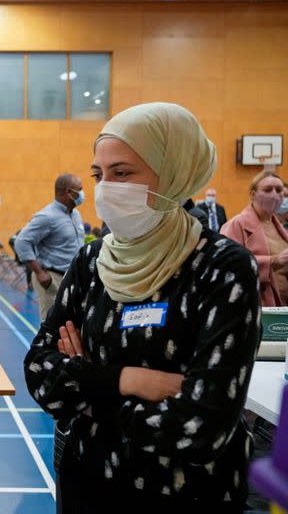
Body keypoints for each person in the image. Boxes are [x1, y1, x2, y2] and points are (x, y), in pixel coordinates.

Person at [24, 102, 260, 513]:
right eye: (99, 175)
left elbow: (203, 428)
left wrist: (88, 385)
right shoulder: (92, 262)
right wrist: (128, 380)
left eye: (123, 173)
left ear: (173, 171)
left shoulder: (223, 267)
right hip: (88, 485)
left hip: (188, 494)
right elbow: (41, 375)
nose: (105, 188)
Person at [14, 173, 85, 321]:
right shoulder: (47, 216)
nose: (82, 194)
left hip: (73, 277)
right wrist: (39, 272)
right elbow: (21, 242)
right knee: (52, 325)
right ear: (68, 192)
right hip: (52, 277)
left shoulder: (76, 215)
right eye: (80, 190)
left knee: (71, 323)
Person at [221, 171, 288, 306]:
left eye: (279, 190)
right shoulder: (236, 225)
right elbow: (227, 263)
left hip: (281, 306)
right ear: (252, 194)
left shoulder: (278, 226)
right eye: (268, 190)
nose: (275, 194)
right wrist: (273, 260)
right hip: (253, 304)